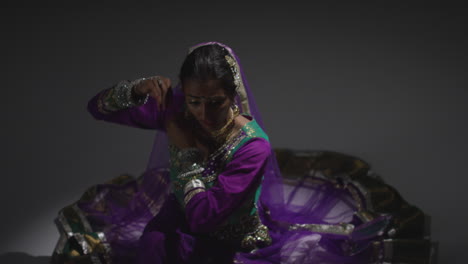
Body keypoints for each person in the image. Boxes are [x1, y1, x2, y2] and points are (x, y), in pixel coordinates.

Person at [51, 42, 433, 264]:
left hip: (221, 234)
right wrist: (135, 90)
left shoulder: (252, 145)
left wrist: (183, 149)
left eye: (214, 102)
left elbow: (203, 220)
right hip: (175, 218)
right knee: (152, 245)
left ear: (233, 95)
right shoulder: (181, 110)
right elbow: (96, 108)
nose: (203, 114)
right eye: (195, 101)